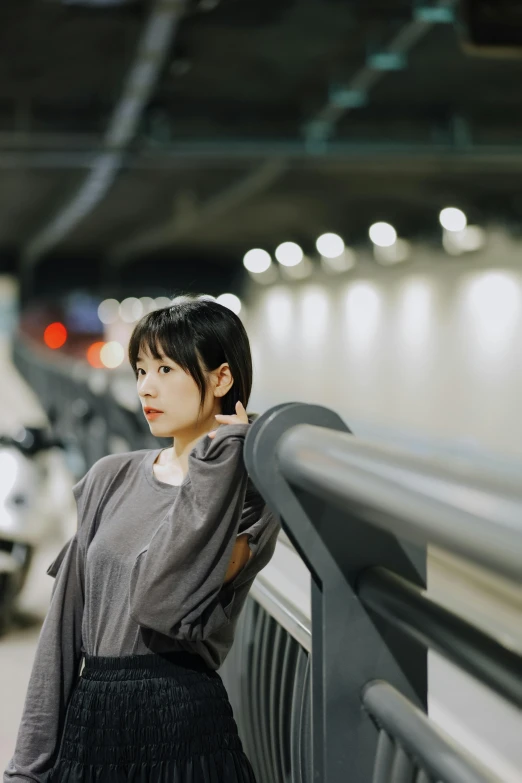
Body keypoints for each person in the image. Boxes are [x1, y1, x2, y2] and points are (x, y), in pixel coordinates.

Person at [5, 297, 281, 783]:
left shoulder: (249, 500)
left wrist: (222, 460)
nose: (145, 388)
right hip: (94, 725)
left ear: (220, 379)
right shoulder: (110, 476)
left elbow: (162, 601)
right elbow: (63, 629)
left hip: (186, 734)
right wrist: (29, 768)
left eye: (166, 369)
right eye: (140, 370)